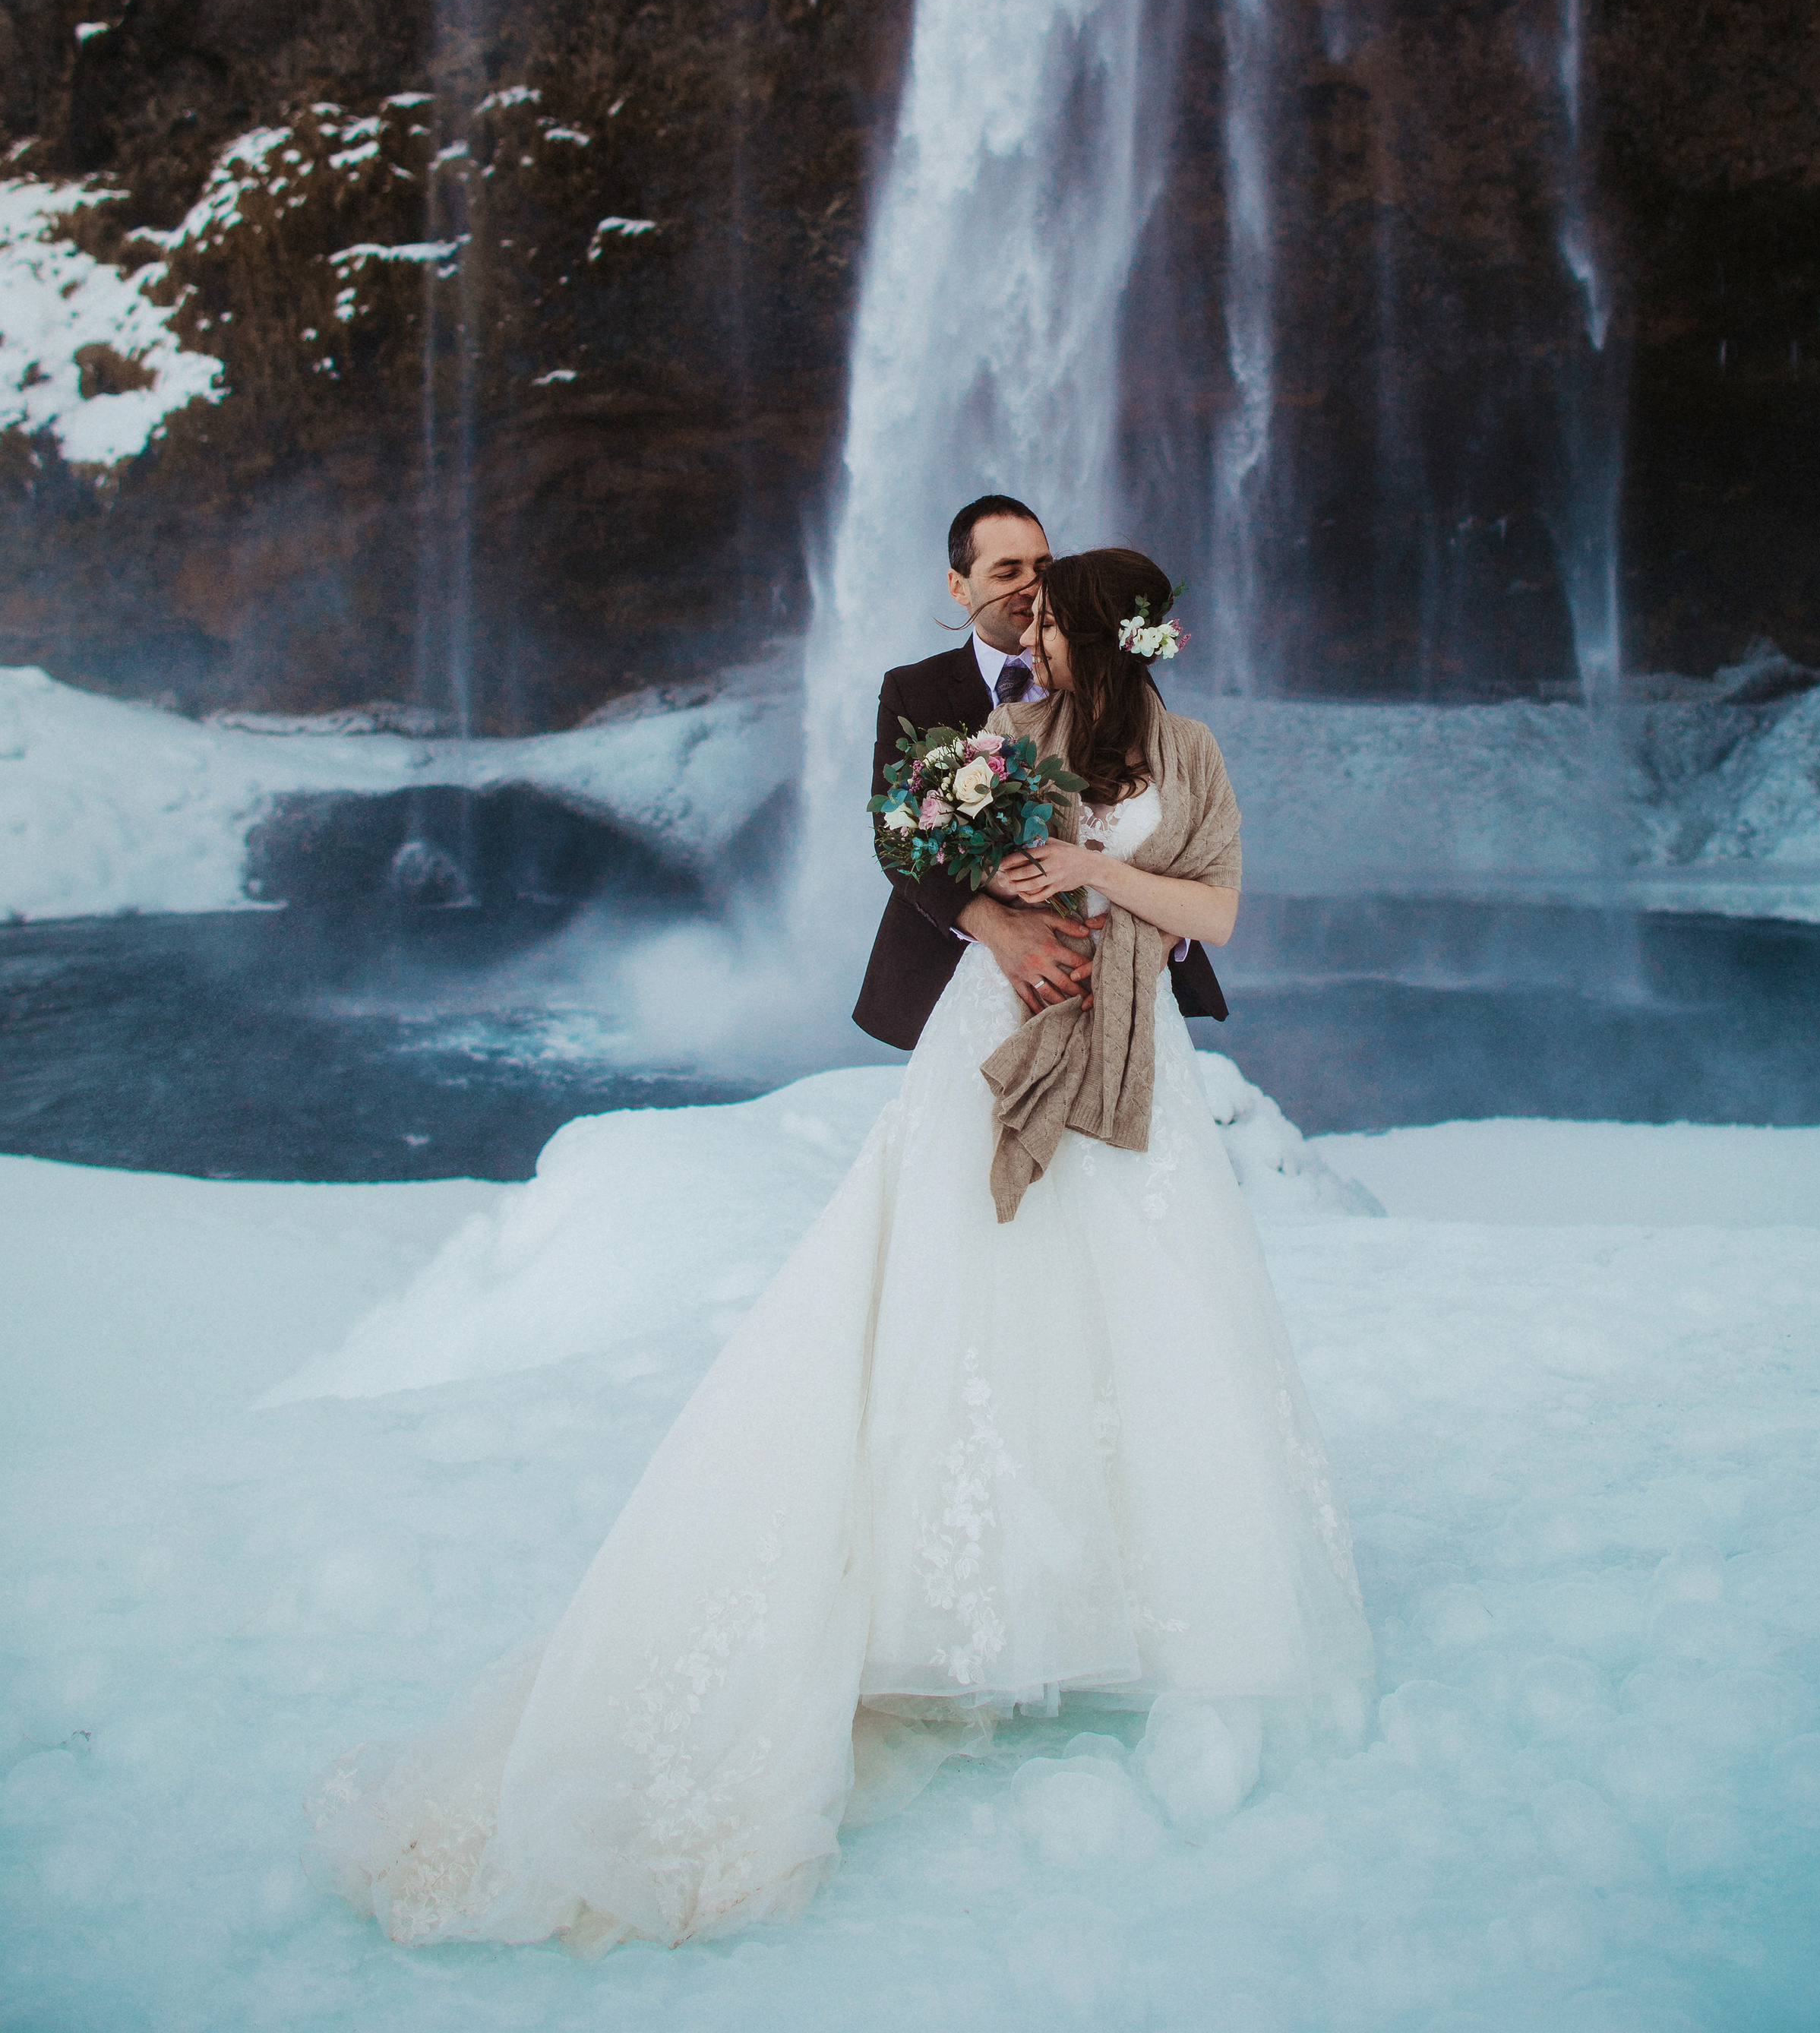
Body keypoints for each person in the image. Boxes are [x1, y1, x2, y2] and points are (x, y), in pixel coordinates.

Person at [308, 549, 1372, 1952]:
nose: (1024, 637)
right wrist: (1005, 904)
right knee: (965, 1303)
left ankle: (1131, 1600)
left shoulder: (1191, 751)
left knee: (1149, 1315)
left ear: (1108, 636)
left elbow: (1218, 912)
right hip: (997, 1038)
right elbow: (934, 865)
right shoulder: (1000, 739)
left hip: (1138, 1063)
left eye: (1046, 621)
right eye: (1018, 612)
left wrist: (1099, 872)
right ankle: (953, 1599)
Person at [852, 494, 1230, 1043]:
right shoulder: (914, 690)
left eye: (1043, 567)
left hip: (1106, 977)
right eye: (1008, 571)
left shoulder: (1119, 681)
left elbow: (1158, 824)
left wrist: (1146, 942)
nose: (1031, 585)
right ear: (959, 587)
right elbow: (895, 838)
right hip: (959, 975)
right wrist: (997, 928)